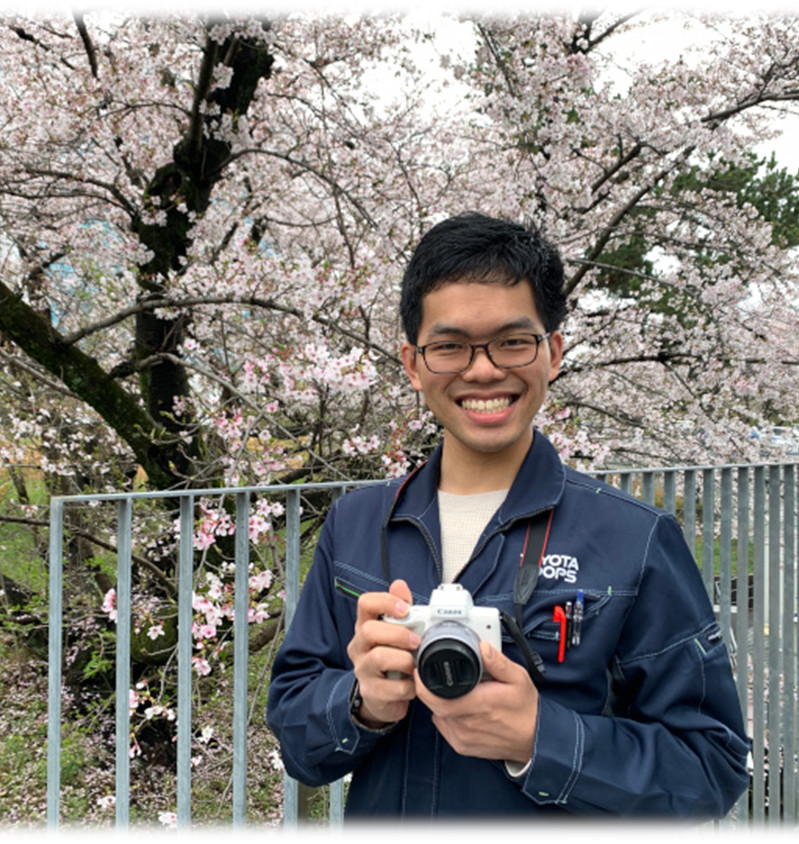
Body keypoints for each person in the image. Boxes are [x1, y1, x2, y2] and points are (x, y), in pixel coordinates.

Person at [266, 212, 750, 818]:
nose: (483, 369)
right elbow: (296, 740)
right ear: (414, 365)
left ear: (552, 352)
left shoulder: (634, 540)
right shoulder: (357, 525)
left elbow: (711, 767)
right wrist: (360, 702)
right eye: (449, 347)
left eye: (512, 341)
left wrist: (539, 738)